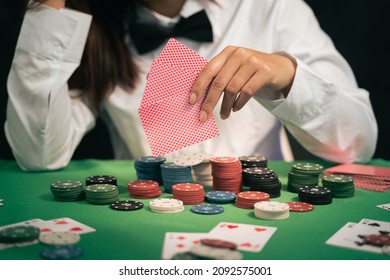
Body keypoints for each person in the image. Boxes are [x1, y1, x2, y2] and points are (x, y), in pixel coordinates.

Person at [5, 0, 377, 171]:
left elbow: (359, 143)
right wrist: (48, 8)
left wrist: (288, 74)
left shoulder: (274, 7)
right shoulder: (88, 27)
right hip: (140, 220)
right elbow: (38, 155)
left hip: (264, 215)